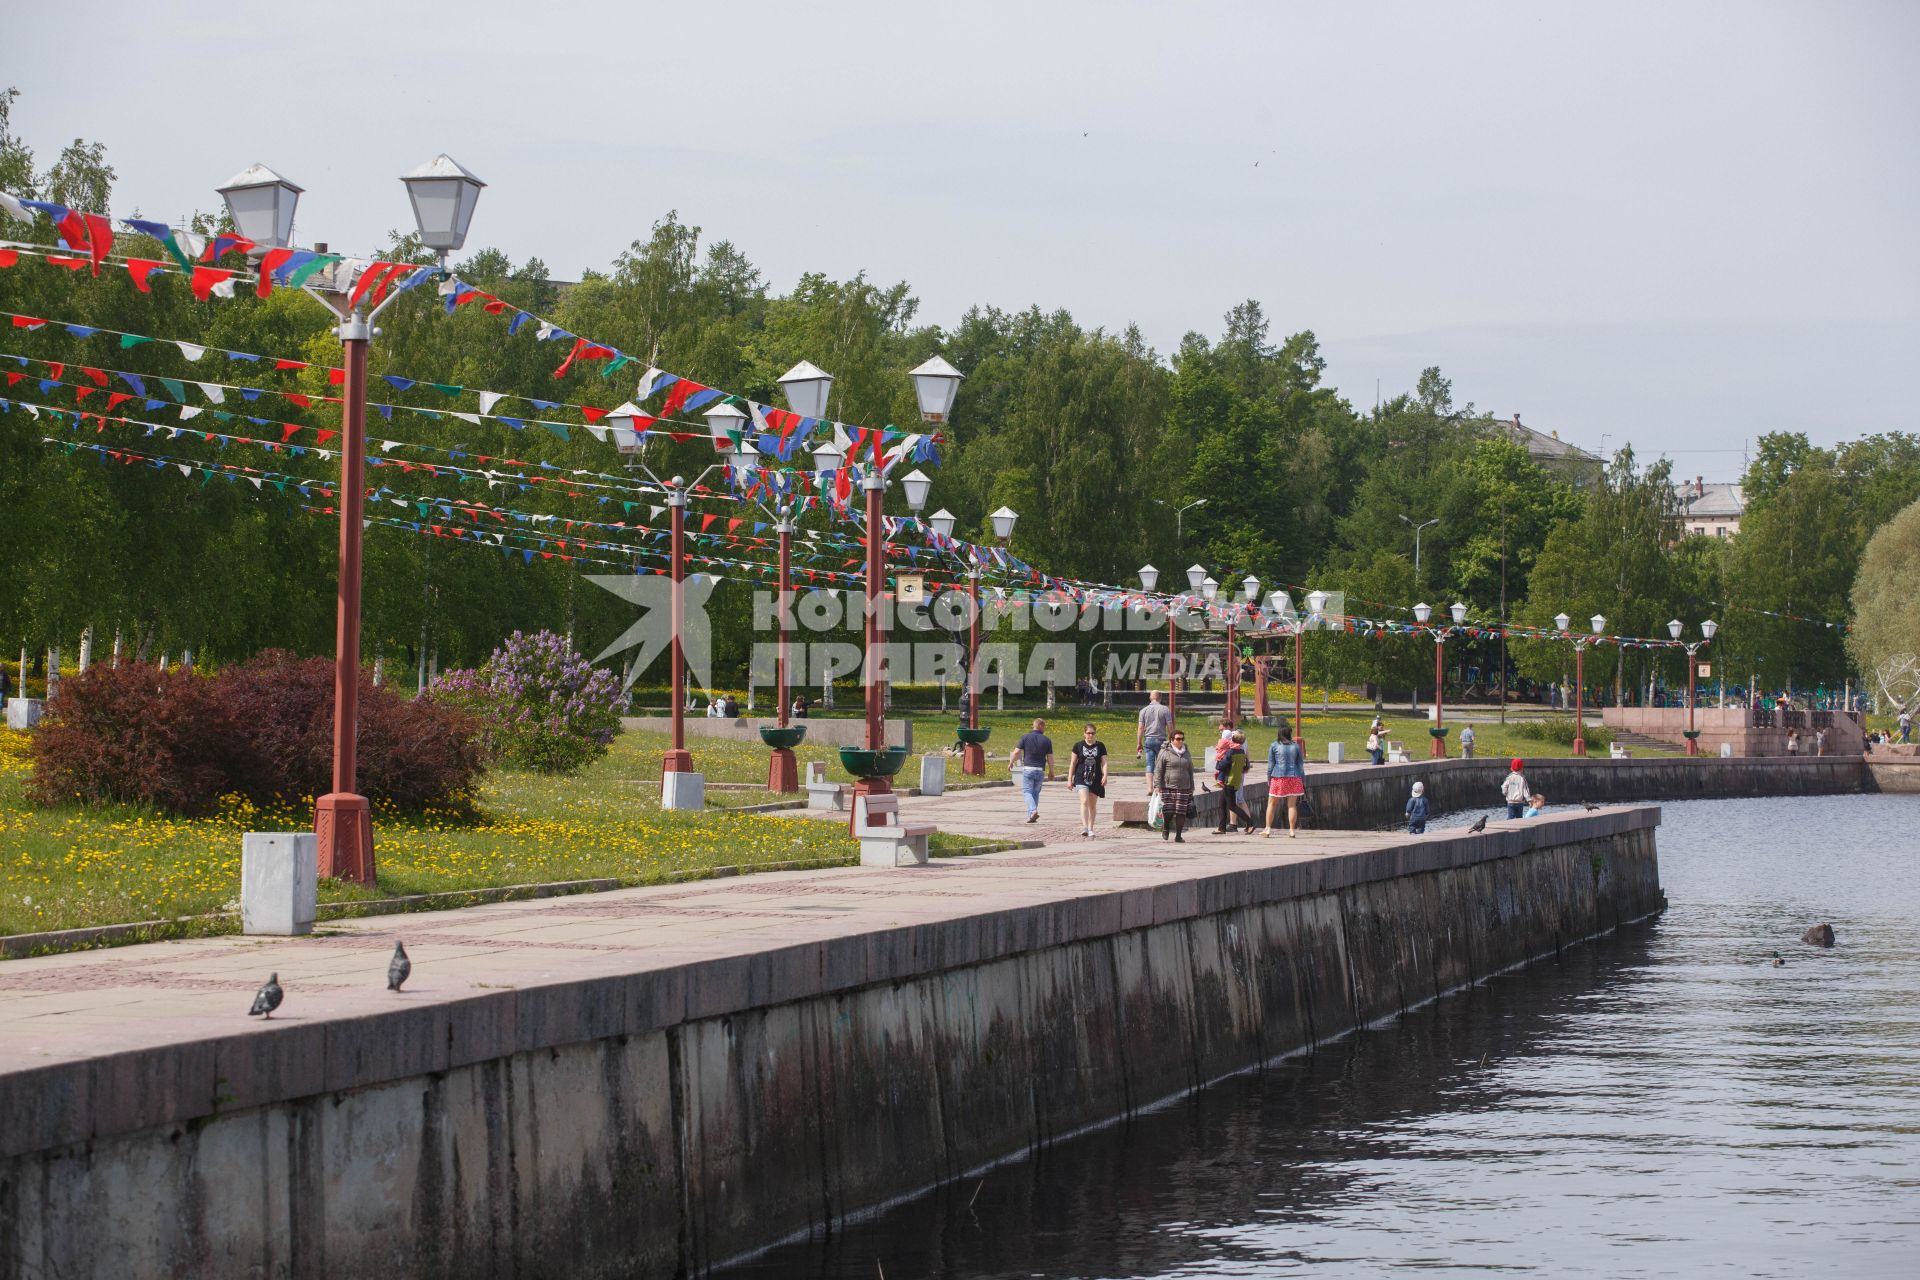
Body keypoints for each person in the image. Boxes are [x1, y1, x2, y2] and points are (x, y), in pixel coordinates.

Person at [1150, 729, 1196, 843]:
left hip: (1184, 787)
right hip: (1168, 786)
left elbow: (1190, 769)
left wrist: (1192, 785)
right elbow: (1158, 769)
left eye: (1182, 739)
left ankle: (1178, 835)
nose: (1180, 741)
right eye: (1178, 739)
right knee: (1169, 810)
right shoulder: (1165, 752)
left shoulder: (1186, 752)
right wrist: (1157, 785)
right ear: (1172, 740)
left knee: (1181, 811)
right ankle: (1166, 828)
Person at [1264, 721, 1307, 838]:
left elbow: (1270, 764)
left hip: (1278, 777)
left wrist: (1269, 778)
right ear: (1289, 734)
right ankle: (1292, 830)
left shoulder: (1274, 745)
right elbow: (1300, 765)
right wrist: (1303, 780)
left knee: (1272, 804)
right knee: (1292, 805)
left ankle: (1268, 829)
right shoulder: (1296, 746)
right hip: (1294, 777)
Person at [1068, 723, 1110, 838]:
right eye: (1088, 733)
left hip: (1096, 778)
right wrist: (1069, 779)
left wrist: (1105, 775)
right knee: (1084, 801)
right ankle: (1085, 827)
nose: (1090, 735)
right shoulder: (1078, 746)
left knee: (1092, 804)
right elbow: (1073, 763)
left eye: (1092, 733)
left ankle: (1091, 828)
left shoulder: (1100, 746)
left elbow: (1104, 762)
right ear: (1084, 733)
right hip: (1081, 777)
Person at [1011, 718, 1055, 824]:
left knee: (1027, 792)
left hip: (1028, 769)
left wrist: (1011, 762)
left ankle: (1033, 810)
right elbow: (1050, 757)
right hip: (1040, 770)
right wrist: (1051, 771)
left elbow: (1016, 752)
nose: (1044, 729)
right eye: (1044, 726)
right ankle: (1031, 815)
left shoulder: (1025, 737)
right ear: (1040, 726)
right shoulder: (1046, 740)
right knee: (1035, 793)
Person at [1213, 730, 1254, 834]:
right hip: (1236, 780)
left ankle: (1250, 823)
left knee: (1232, 806)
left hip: (1228, 781)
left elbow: (1220, 766)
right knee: (1222, 804)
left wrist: (1218, 758)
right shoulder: (1241, 751)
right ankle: (1221, 828)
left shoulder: (1231, 752)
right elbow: (1245, 766)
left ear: (1233, 739)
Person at [1137, 690, 1172, 780]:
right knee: (1161, 764)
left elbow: (1140, 728)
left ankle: (1150, 788)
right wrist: (1172, 740)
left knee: (1149, 764)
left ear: (1150, 697)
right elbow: (1170, 727)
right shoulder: (1165, 709)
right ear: (1160, 698)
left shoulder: (1143, 711)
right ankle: (1159, 787)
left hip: (1148, 740)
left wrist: (1139, 743)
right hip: (1161, 740)